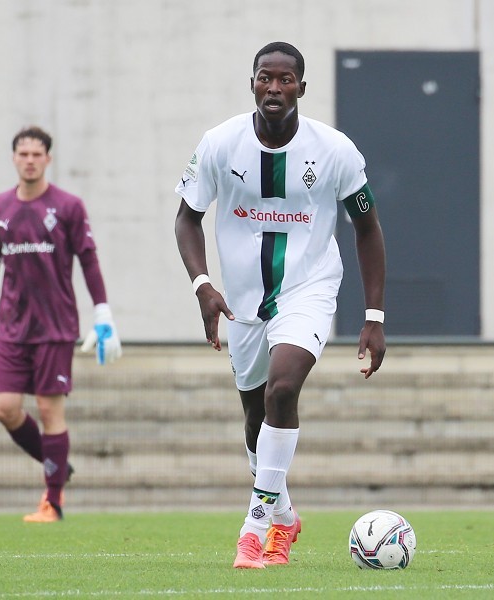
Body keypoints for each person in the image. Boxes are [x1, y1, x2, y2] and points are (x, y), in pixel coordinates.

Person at [174, 42, 386, 568]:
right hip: (243, 303)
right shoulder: (220, 145)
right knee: (255, 417)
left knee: (284, 387)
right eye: (265, 78)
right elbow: (186, 218)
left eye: (285, 79)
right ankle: (285, 516)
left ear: (302, 88)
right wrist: (203, 284)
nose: (275, 88)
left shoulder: (335, 150)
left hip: (308, 288)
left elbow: (368, 229)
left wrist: (374, 316)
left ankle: (256, 525)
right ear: (252, 84)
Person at [0, 125, 122, 522]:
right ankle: (58, 467)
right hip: (11, 328)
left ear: (48, 159)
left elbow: (88, 259)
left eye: (37, 154)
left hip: (55, 327)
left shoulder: (68, 206)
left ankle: (52, 501)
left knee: (51, 413)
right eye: (23, 154)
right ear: (14, 158)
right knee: (4, 407)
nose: (30, 160)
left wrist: (102, 311)